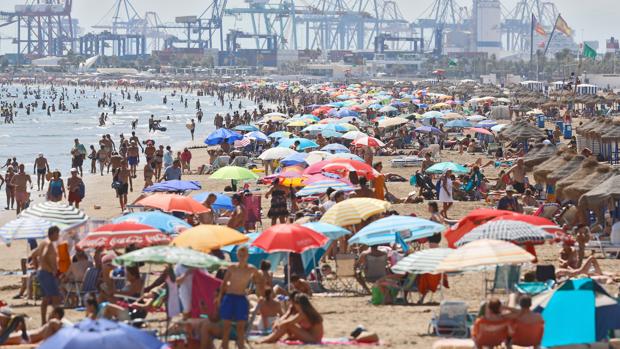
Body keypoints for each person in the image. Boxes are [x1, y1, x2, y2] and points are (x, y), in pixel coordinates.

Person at [217, 246, 264, 349]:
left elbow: (259, 282)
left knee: (241, 327)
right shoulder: (232, 267)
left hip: (241, 298)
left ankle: (240, 345)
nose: (242, 257)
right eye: (240, 255)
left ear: (248, 256)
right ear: (237, 255)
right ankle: (225, 346)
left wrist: (260, 295)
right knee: (226, 327)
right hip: (229, 297)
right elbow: (224, 284)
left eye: (244, 255)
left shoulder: (251, 269)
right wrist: (219, 298)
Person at [258, 293, 323, 344]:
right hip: (311, 336)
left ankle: (269, 339)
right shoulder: (308, 311)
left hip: (313, 339)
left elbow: (289, 322)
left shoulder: (303, 313)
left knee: (287, 325)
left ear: (298, 304)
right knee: (287, 324)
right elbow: (288, 318)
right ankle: (272, 338)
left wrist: (278, 324)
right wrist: (279, 322)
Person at [31, 226, 61, 325]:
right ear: (52, 233)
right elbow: (43, 255)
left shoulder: (44, 242)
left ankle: (44, 321)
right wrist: (51, 269)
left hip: (42, 272)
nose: (58, 236)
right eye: (57, 234)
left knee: (46, 298)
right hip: (46, 273)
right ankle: (55, 321)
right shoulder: (48, 244)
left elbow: (33, 254)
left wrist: (37, 266)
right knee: (55, 298)